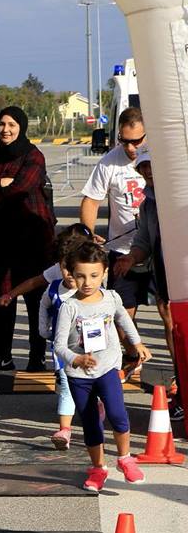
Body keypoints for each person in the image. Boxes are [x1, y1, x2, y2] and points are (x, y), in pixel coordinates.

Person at [53, 241, 152, 492]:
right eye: (81, 276)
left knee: (118, 413)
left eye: (94, 276)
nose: (87, 282)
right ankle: (98, 468)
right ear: (71, 275)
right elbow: (58, 345)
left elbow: (124, 320)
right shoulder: (69, 307)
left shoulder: (111, 298)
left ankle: (124, 458)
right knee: (89, 422)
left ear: (105, 273)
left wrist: (137, 342)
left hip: (107, 367)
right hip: (79, 374)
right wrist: (76, 359)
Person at [0, 105, 55, 372]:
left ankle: (37, 358)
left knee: (35, 296)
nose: (5, 130)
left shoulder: (33, 156)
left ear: (21, 128)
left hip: (32, 237)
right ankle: (2, 355)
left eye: (12, 125)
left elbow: (20, 188)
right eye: (2, 124)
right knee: (2, 295)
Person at [79, 107, 153, 380]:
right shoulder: (109, 162)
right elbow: (91, 200)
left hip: (156, 250)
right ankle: (133, 357)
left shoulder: (158, 157)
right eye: (125, 141)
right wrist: (88, 235)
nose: (131, 148)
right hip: (122, 252)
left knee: (168, 314)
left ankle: (180, 371)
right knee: (122, 318)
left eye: (137, 141)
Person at [114, 148, 183, 420]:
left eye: (152, 165)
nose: (148, 170)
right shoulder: (148, 203)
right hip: (165, 272)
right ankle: (181, 388)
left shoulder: (178, 196)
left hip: (183, 270)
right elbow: (144, 241)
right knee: (172, 326)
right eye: (143, 166)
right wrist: (130, 258)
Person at [37, 227, 94, 449]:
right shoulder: (53, 290)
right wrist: (44, 330)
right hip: (62, 350)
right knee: (66, 383)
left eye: (74, 269)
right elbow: (44, 306)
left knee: (90, 383)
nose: (69, 274)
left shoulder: (93, 292)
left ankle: (95, 407)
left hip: (90, 349)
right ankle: (65, 430)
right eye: (64, 268)